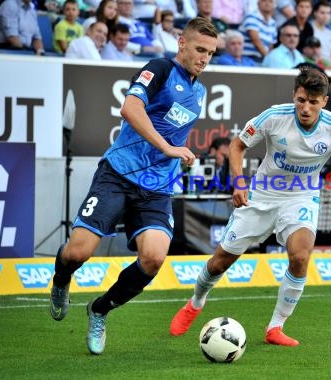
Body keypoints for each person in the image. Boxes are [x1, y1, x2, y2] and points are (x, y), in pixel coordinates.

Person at [169, 66, 331, 346]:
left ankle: (275, 327)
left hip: (301, 197)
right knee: (220, 262)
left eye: (313, 102)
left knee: (300, 256)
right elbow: (236, 146)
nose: (305, 108)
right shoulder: (274, 116)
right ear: (295, 95)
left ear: (324, 102)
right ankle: (195, 302)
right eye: (301, 100)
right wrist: (239, 183)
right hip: (262, 196)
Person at [49, 17, 218, 355]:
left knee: (154, 258)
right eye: (199, 49)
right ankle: (61, 278)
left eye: (211, 53)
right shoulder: (159, 68)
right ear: (181, 43)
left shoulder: (199, 91)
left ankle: (100, 309)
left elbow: (172, 130)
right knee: (78, 252)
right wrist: (167, 148)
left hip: (156, 188)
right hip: (119, 174)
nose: (204, 58)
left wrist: (178, 154)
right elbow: (130, 108)